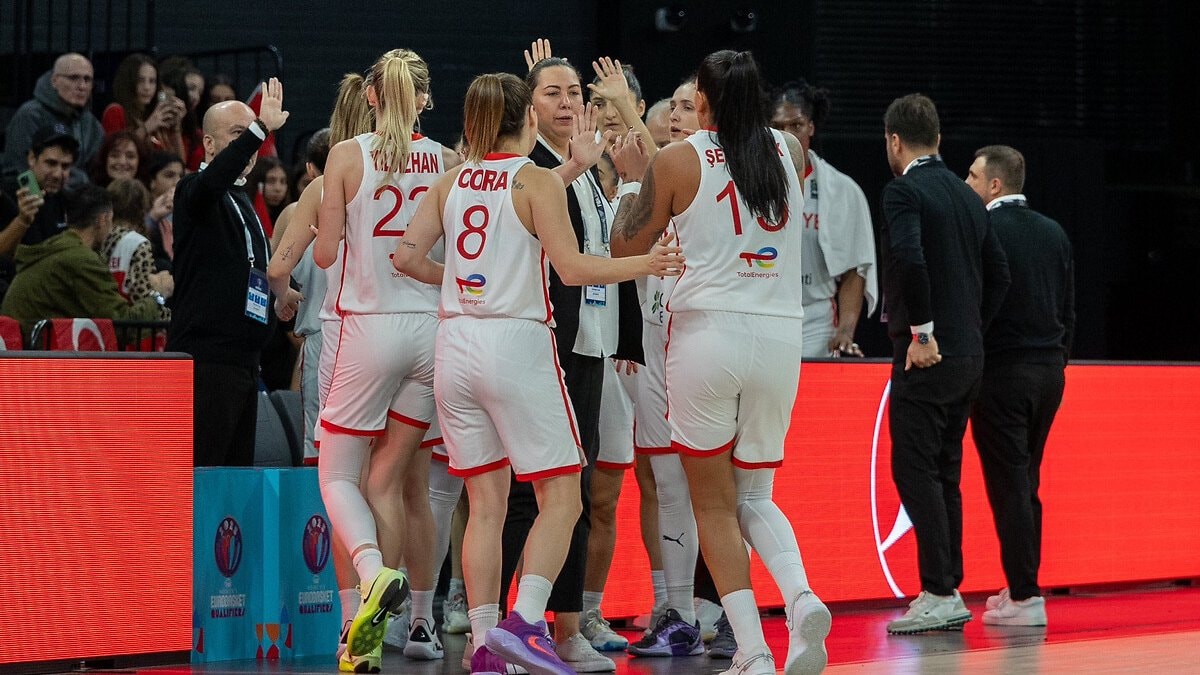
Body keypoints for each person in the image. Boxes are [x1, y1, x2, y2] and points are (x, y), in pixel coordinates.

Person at [389, 70, 681, 675]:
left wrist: (460, 281)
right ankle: (525, 621)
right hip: (516, 343)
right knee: (564, 492)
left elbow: (406, 257)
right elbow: (572, 269)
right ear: (526, 117)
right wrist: (643, 263)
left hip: (455, 344)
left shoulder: (451, 180)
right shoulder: (534, 181)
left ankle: (484, 644)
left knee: (486, 504)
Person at [610, 50, 830, 675]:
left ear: (702, 99)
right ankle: (801, 595)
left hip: (708, 335)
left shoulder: (679, 160)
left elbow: (626, 245)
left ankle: (753, 650)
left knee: (711, 504)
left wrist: (633, 181)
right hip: (780, 336)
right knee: (755, 493)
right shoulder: (788, 152)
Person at [491, 43, 628, 672]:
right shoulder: (532, 173)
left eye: (575, 92)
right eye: (553, 93)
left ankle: (560, 626)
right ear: (528, 106)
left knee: (576, 487)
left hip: (589, 346)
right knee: (536, 495)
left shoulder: (585, 165)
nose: (569, 102)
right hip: (545, 345)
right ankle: (509, 626)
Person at [312, 48, 446, 665]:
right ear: (423, 98)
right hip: (431, 330)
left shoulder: (346, 155)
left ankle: (371, 576)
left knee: (338, 477)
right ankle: (408, 623)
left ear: (369, 96)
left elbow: (324, 255)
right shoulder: (445, 160)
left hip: (369, 326)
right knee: (392, 482)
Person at [878, 94, 1010, 634]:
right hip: (968, 356)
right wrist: (969, 330)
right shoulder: (967, 196)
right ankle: (947, 587)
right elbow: (999, 275)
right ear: (936, 138)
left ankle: (938, 589)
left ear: (894, 141)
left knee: (914, 469)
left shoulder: (903, 191)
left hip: (927, 355)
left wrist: (924, 332)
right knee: (944, 472)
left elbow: (910, 257)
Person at [965, 145, 1074, 627]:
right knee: (1026, 481)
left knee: (1009, 484)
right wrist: (1057, 361)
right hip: (1049, 373)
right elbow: (1069, 311)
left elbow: (976, 304)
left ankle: (1027, 597)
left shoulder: (984, 229)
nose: (965, 184)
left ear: (995, 184)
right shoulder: (1055, 232)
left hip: (1002, 374)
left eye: (972, 177)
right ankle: (1021, 583)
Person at [166, 77, 291, 467]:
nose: (248, 145)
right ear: (209, 144)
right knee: (202, 475)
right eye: (238, 134)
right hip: (207, 362)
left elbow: (250, 265)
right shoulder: (193, 191)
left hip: (244, 361)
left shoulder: (242, 199)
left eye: (249, 134)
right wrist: (261, 128)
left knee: (234, 480)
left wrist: (282, 292)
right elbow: (215, 178)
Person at [771, 80, 878, 357]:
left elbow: (855, 267)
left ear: (811, 127)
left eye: (796, 125)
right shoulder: (746, 185)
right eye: (778, 127)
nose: (787, 135)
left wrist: (845, 331)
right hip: (765, 312)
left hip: (815, 320)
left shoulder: (843, 191)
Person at [1, 184, 163, 337]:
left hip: (20, 349)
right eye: (111, 221)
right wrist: (157, 295)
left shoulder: (56, 248)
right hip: (37, 353)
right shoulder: (81, 260)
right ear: (103, 219)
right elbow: (122, 326)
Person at [2, 53, 103, 186]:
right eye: (73, 78)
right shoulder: (30, 115)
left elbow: (98, 172)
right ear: (54, 81)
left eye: (87, 80)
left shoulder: (92, 124)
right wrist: (36, 198)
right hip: (35, 195)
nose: (82, 86)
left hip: (81, 196)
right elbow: (18, 170)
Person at [1, 125, 77, 261]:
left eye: (65, 166)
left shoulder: (69, 202)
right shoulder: (6, 195)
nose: (57, 174)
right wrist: (21, 221)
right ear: (32, 158)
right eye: (51, 163)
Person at [101, 178, 173, 310]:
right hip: (130, 319)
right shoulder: (139, 244)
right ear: (143, 209)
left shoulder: (98, 240)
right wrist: (162, 297)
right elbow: (143, 299)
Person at [101, 53, 187, 157]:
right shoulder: (115, 111)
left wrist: (176, 129)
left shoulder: (155, 116)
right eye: (140, 81)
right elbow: (117, 153)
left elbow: (179, 162)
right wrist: (147, 127)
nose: (147, 87)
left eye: (152, 81)